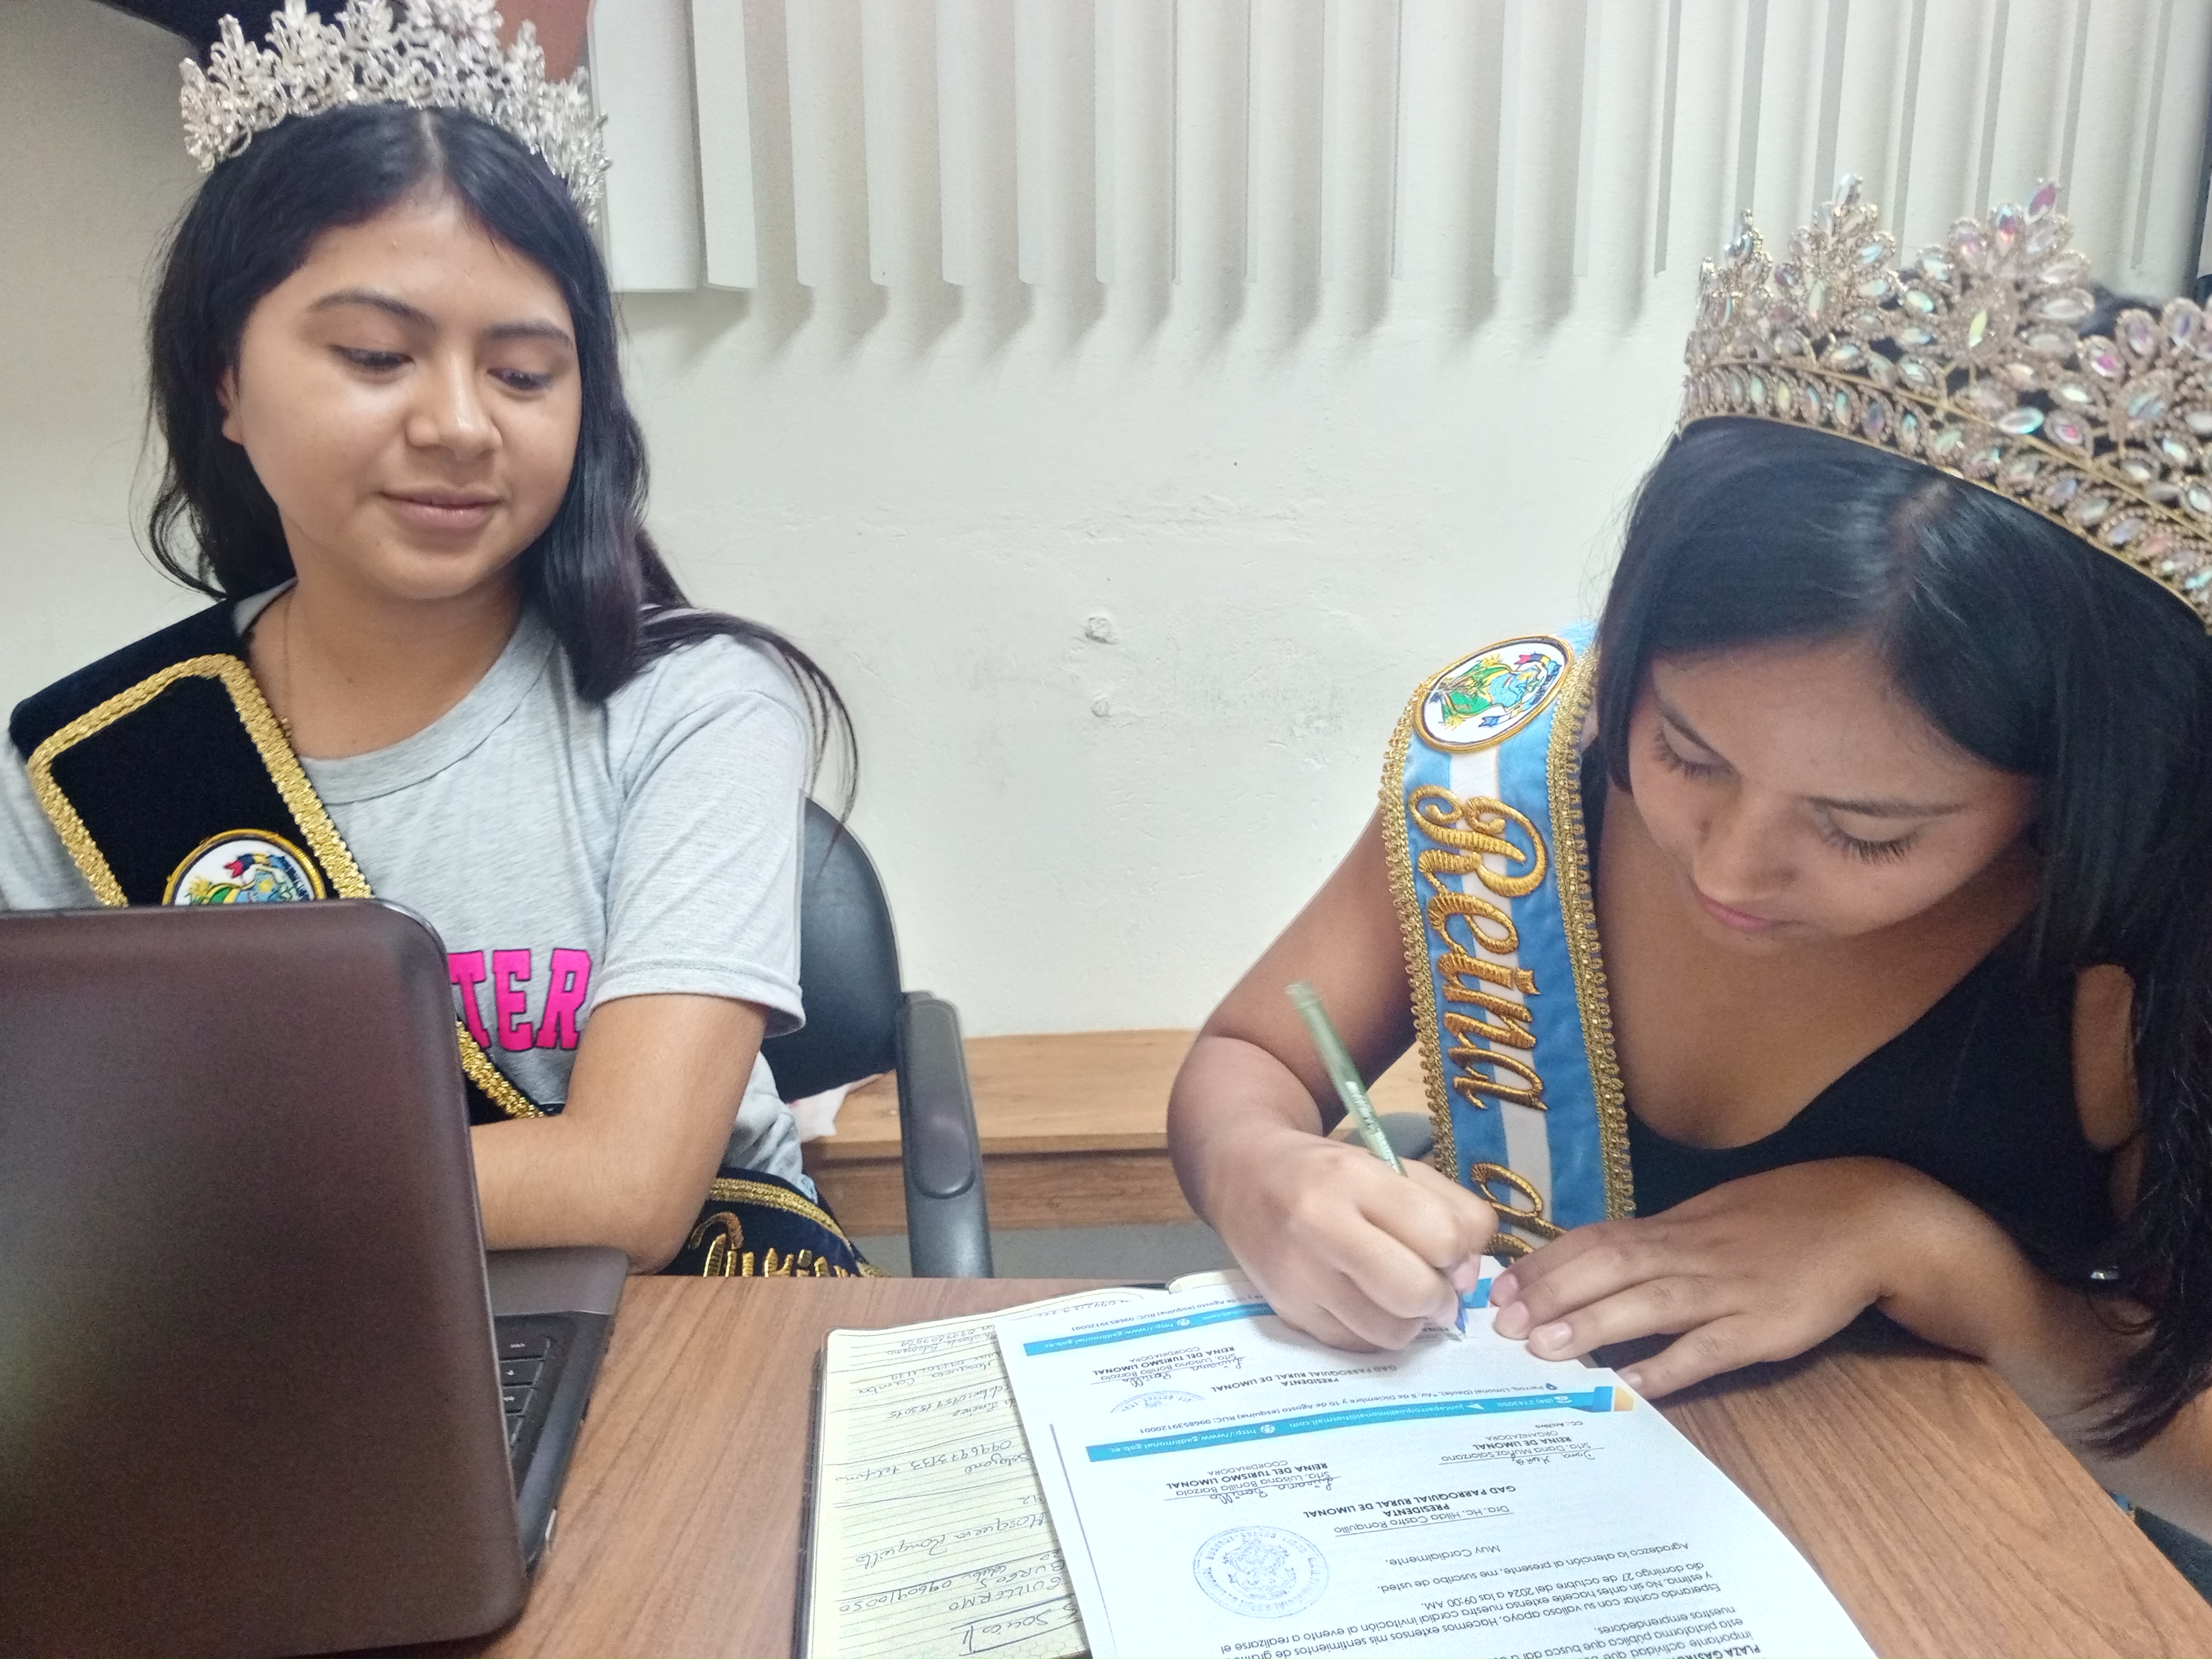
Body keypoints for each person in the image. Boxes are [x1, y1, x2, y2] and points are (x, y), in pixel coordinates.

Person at [1168, 176, 2212, 1542]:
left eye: (1864, 831)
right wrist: (1263, 1174)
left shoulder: (2139, 949)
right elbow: (1250, 1057)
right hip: (1510, 1530)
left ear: (2068, 794)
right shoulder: (1515, 775)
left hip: (1942, 1567)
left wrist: (1936, 1256)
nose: (1729, 866)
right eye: (1686, 752)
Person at [0, 0, 864, 1277]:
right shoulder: (91, 769)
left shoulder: (694, 703)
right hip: (282, 1342)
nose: (460, 425)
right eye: (375, 355)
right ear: (225, 379)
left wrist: (171, 1206)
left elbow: (627, 1187)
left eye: (522, 374)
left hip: (684, 1320)